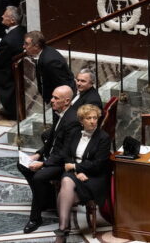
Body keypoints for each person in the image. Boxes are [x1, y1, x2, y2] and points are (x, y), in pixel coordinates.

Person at [17, 85, 79, 233]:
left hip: (63, 163)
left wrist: (43, 164)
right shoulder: (59, 112)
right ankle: (46, 198)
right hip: (52, 157)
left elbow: (66, 152)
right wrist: (37, 154)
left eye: (56, 98)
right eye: (52, 97)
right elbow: (51, 140)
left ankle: (35, 218)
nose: (51, 100)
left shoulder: (72, 121)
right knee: (22, 164)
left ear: (67, 101)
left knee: (39, 177)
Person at [53, 103, 111, 243]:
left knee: (64, 189)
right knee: (67, 181)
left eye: (95, 118)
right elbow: (66, 154)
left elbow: (98, 165)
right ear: (81, 121)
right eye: (88, 118)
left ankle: (62, 231)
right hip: (74, 173)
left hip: (94, 177)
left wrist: (76, 167)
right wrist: (76, 171)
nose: (92, 121)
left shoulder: (103, 138)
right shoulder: (74, 133)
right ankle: (63, 229)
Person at [23, 30, 75, 104]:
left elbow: (63, 84)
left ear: (36, 46)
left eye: (27, 44)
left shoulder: (50, 61)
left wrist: (58, 102)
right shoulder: (44, 52)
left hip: (60, 101)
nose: (24, 46)